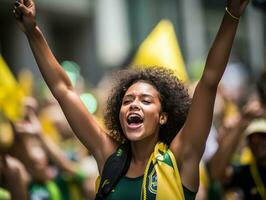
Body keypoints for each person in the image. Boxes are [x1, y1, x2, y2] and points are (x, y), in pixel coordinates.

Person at [13, 0, 250, 199]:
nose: (134, 104)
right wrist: (33, 32)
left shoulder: (180, 158)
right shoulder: (109, 158)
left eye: (145, 100)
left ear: (163, 116)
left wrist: (232, 14)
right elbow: (63, 89)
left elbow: (209, 81)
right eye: (127, 101)